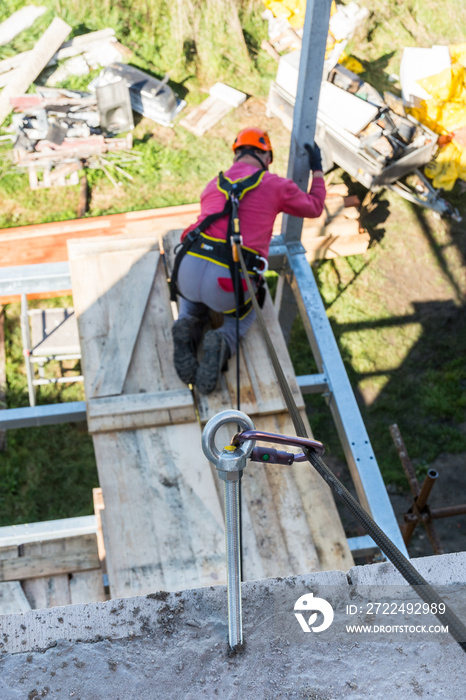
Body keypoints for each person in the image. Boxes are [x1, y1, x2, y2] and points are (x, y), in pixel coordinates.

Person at [171, 127, 326, 395]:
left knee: (193, 301)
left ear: (236, 155)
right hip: (226, 282)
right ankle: (222, 339)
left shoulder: (213, 184)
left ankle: (186, 322)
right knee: (247, 312)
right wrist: (318, 170)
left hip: (187, 268)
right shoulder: (275, 185)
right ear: (266, 157)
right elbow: (314, 207)